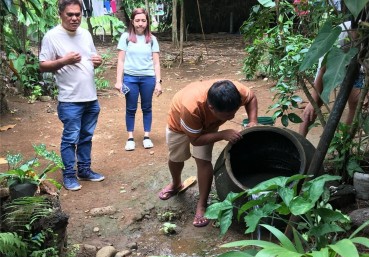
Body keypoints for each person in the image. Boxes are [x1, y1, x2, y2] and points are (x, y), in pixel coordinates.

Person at [158, 79, 258, 227]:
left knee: (203, 160)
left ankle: (202, 204)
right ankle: (176, 183)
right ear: (211, 107)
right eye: (227, 115)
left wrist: (253, 121)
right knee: (176, 157)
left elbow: (251, 98)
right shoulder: (191, 108)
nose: (231, 117)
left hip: (208, 126)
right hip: (180, 124)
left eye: (234, 112)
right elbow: (196, 140)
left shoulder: (235, 92)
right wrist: (222, 134)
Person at [39, 0, 105, 191]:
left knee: (86, 137)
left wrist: (98, 61)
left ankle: (84, 170)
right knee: (70, 139)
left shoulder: (85, 34)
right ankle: (69, 175)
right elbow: (43, 65)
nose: (75, 18)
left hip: (91, 98)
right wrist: (64, 61)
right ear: (61, 14)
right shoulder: (52, 37)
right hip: (70, 100)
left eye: (78, 14)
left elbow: (92, 59)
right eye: (70, 14)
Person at [299, 20, 363, 137]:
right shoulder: (340, 36)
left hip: (358, 63)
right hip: (335, 62)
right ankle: (299, 141)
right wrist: (312, 100)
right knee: (314, 104)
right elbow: (323, 70)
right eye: (356, 35)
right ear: (352, 30)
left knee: (355, 103)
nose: (358, 38)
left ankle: (344, 143)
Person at [115, 8, 162, 151]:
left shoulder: (152, 40)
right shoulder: (125, 37)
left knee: (147, 108)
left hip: (148, 78)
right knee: (131, 108)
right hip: (130, 78)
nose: (140, 24)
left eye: (143, 20)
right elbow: (121, 61)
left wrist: (158, 82)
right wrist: (119, 80)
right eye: (137, 20)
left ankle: (147, 137)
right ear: (132, 22)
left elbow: (156, 63)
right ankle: (130, 138)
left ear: (147, 22)